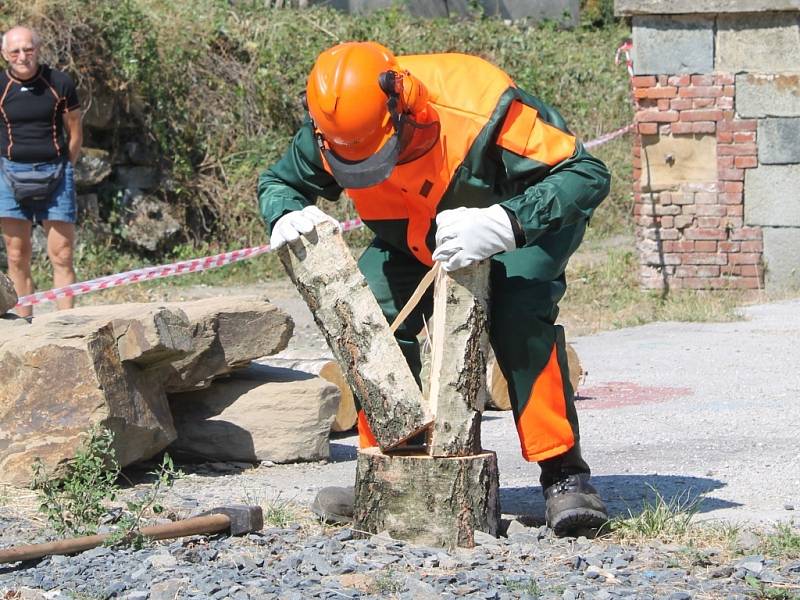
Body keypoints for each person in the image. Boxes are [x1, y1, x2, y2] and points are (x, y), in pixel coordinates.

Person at [258, 41, 611, 536]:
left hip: (513, 222)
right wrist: (284, 211)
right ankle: (390, 468)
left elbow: (587, 173)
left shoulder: (481, 104)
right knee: (370, 312)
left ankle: (564, 473)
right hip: (414, 235)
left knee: (517, 312)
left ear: (399, 105)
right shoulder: (336, 126)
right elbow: (279, 182)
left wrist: (507, 222)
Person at [0, 26, 82, 319]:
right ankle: (23, 328)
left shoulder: (59, 82)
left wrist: (65, 166)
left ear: (38, 48)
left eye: (28, 49)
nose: (23, 56)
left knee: (62, 255)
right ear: (5, 54)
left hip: (57, 175)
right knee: (16, 256)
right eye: (15, 51)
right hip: (10, 176)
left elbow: (74, 129)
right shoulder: (2, 86)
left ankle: (67, 325)